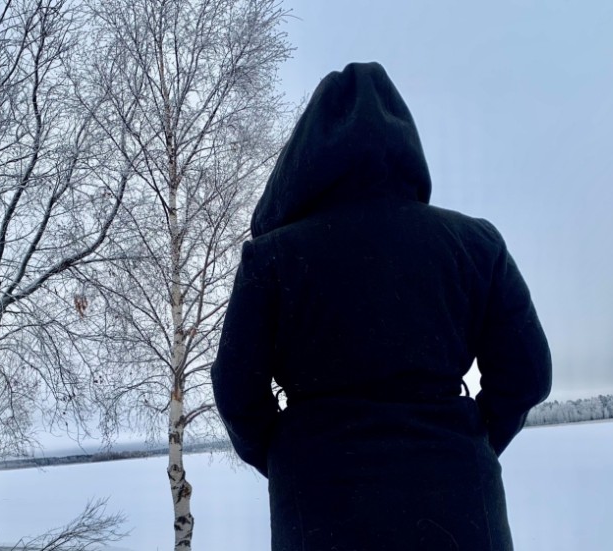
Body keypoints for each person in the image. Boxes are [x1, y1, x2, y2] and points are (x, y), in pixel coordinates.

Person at [210, 61, 552, 551]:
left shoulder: (272, 258)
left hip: (320, 511)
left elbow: (236, 391)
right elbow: (528, 375)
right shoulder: (476, 244)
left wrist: (291, 458)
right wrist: (468, 441)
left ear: (305, 154)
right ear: (406, 143)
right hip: (462, 509)